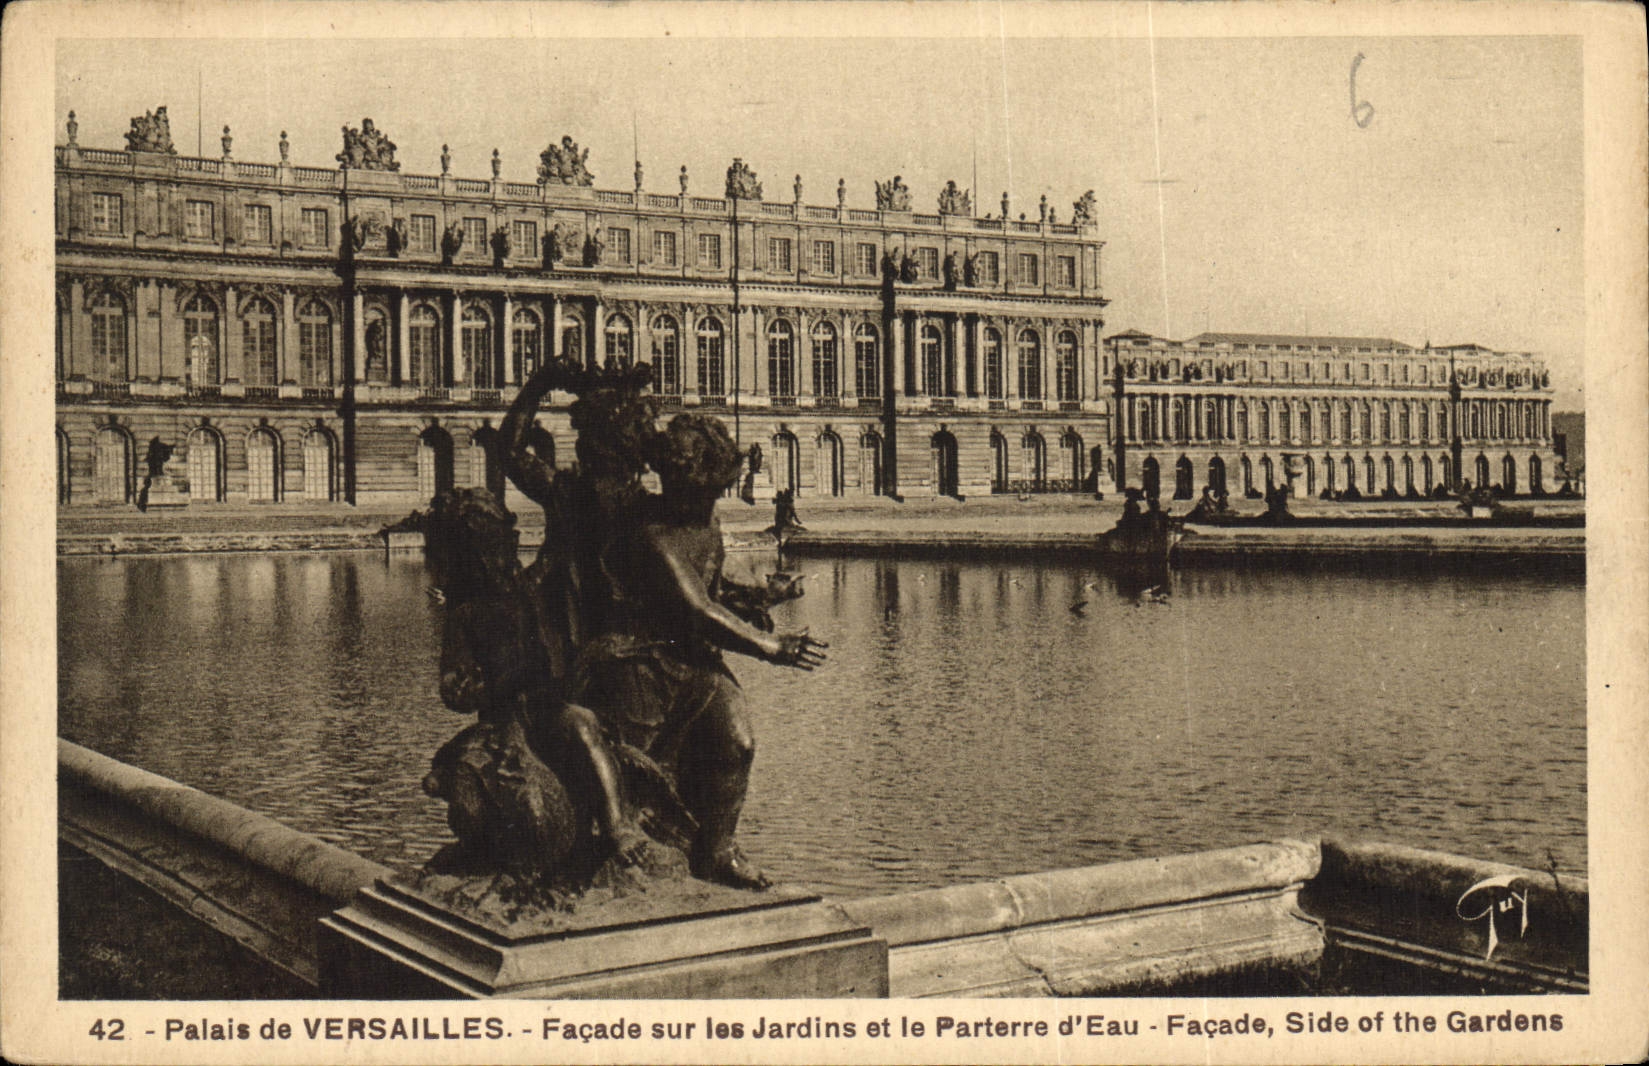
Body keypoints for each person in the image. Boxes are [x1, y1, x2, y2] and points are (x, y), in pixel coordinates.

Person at [577, 414, 826, 888]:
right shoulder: (654, 536)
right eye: (700, 489)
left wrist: (759, 592)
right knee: (637, 770)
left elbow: (713, 582)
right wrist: (773, 647)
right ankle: (602, 861)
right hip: (640, 664)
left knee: (738, 740)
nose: (708, 500)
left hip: (691, 661)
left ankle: (717, 852)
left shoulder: (703, 521)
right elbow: (697, 608)